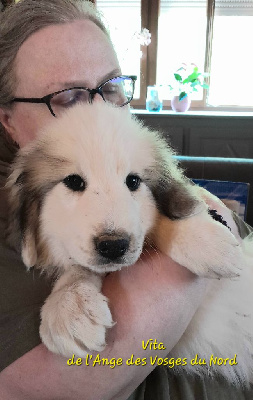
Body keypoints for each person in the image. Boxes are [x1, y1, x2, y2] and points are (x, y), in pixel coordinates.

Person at [0, 1, 252, 399]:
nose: (103, 114)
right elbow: (68, 383)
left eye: (112, 87)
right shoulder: (25, 193)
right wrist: (77, 281)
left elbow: (210, 219)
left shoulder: (137, 156)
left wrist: (190, 223)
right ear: (8, 119)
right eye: (67, 97)